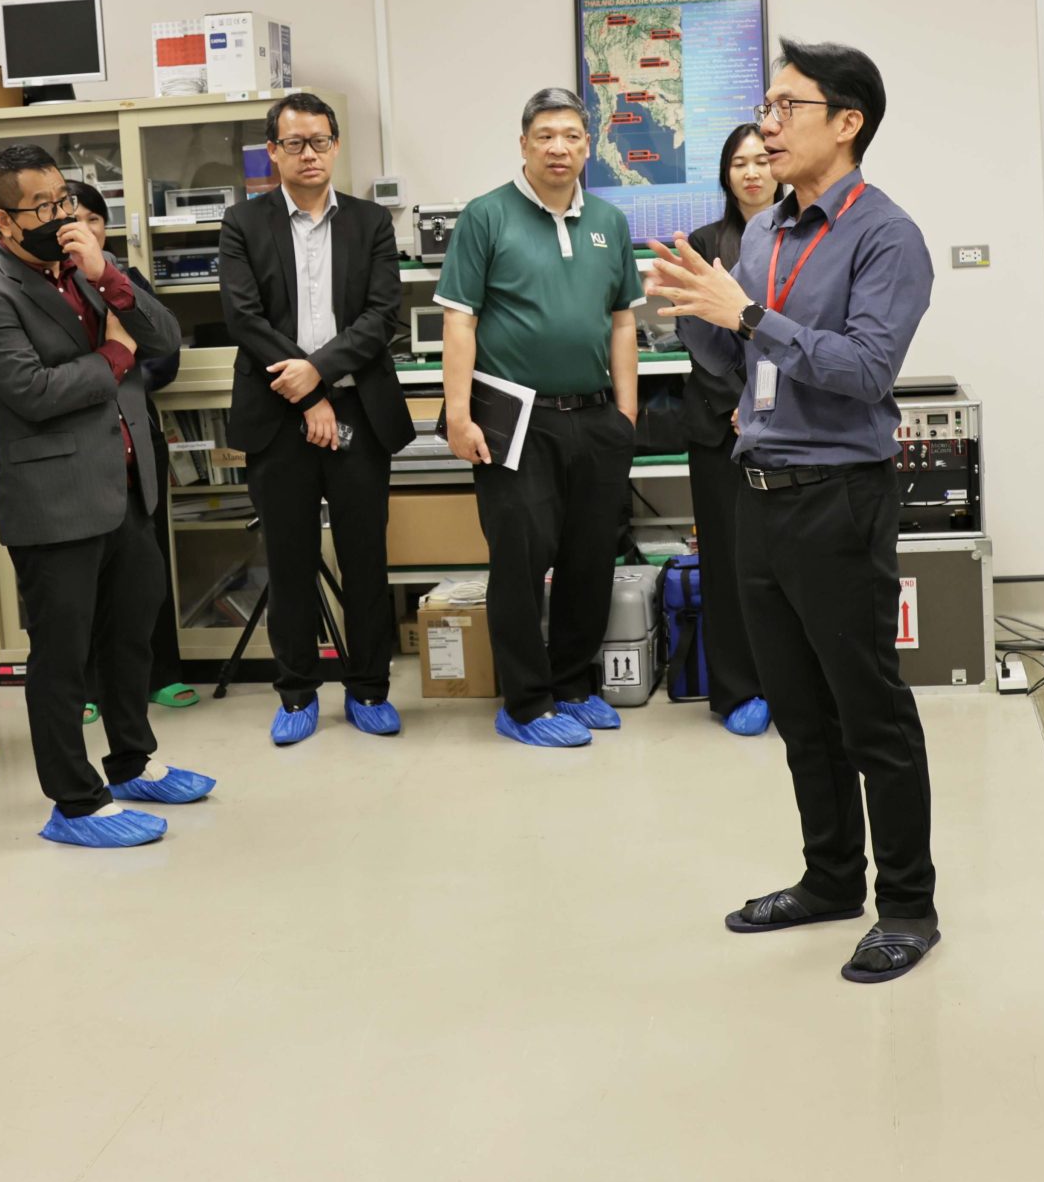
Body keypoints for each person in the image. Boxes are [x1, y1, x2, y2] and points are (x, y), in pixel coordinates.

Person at [646, 39, 939, 984]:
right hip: (759, 496)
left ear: (847, 122)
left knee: (869, 714)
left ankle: (908, 905)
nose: (767, 126)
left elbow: (865, 369)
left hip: (839, 498)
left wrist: (743, 313)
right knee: (800, 714)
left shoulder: (885, 235)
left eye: (786, 107)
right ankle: (830, 879)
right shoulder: (765, 230)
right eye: (765, 107)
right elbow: (743, 365)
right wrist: (696, 310)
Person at [0, 144, 213, 847]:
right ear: (5, 221)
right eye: (41, 206)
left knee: (130, 639)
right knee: (63, 659)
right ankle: (73, 800)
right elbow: (32, 393)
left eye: (63, 199)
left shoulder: (90, 268)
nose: (60, 215)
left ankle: (132, 761)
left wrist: (108, 276)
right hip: (55, 500)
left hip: (126, 486)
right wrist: (115, 356)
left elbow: (164, 337)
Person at [435, 87, 644, 748]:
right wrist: (459, 415)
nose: (559, 147)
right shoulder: (486, 217)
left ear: (589, 147)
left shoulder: (609, 220)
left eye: (572, 136)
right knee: (520, 562)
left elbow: (623, 322)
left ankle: (574, 684)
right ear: (523, 144)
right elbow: (459, 322)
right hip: (513, 418)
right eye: (546, 135)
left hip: (595, 417)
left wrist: (626, 414)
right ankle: (525, 703)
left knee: (590, 559)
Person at [218, 91, 414, 745]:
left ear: (336, 146)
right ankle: (297, 691)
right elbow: (244, 317)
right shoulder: (243, 223)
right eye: (295, 142)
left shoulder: (370, 221)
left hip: (358, 409)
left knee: (365, 558)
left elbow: (382, 315)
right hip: (279, 415)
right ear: (272, 151)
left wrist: (319, 373)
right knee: (290, 558)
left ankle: (369, 688)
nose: (310, 154)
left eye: (320, 141)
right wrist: (308, 396)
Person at [64, 180, 195, 714]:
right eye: (73, 219)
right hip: (77, 444)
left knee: (148, 563)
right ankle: (89, 687)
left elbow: (165, 357)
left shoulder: (127, 281)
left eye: (93, 219)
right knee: (83, 571)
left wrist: (115, 369)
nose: (84, 228)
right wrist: (113, 362)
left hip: (137, 434)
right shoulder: (47, 286)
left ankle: (161, 674)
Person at [681, 123, 779, 737]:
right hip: (721, 426)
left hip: (792, 426)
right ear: (726, 174)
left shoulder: (806, 238)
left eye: (762, 160)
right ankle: (739, 689)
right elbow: (698, 336)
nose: (752, 172)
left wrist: (766, 404)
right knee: (727, 561)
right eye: (740, 163)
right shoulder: (706, 243)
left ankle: (795, 685)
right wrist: (740, 403)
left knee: (788, 563)